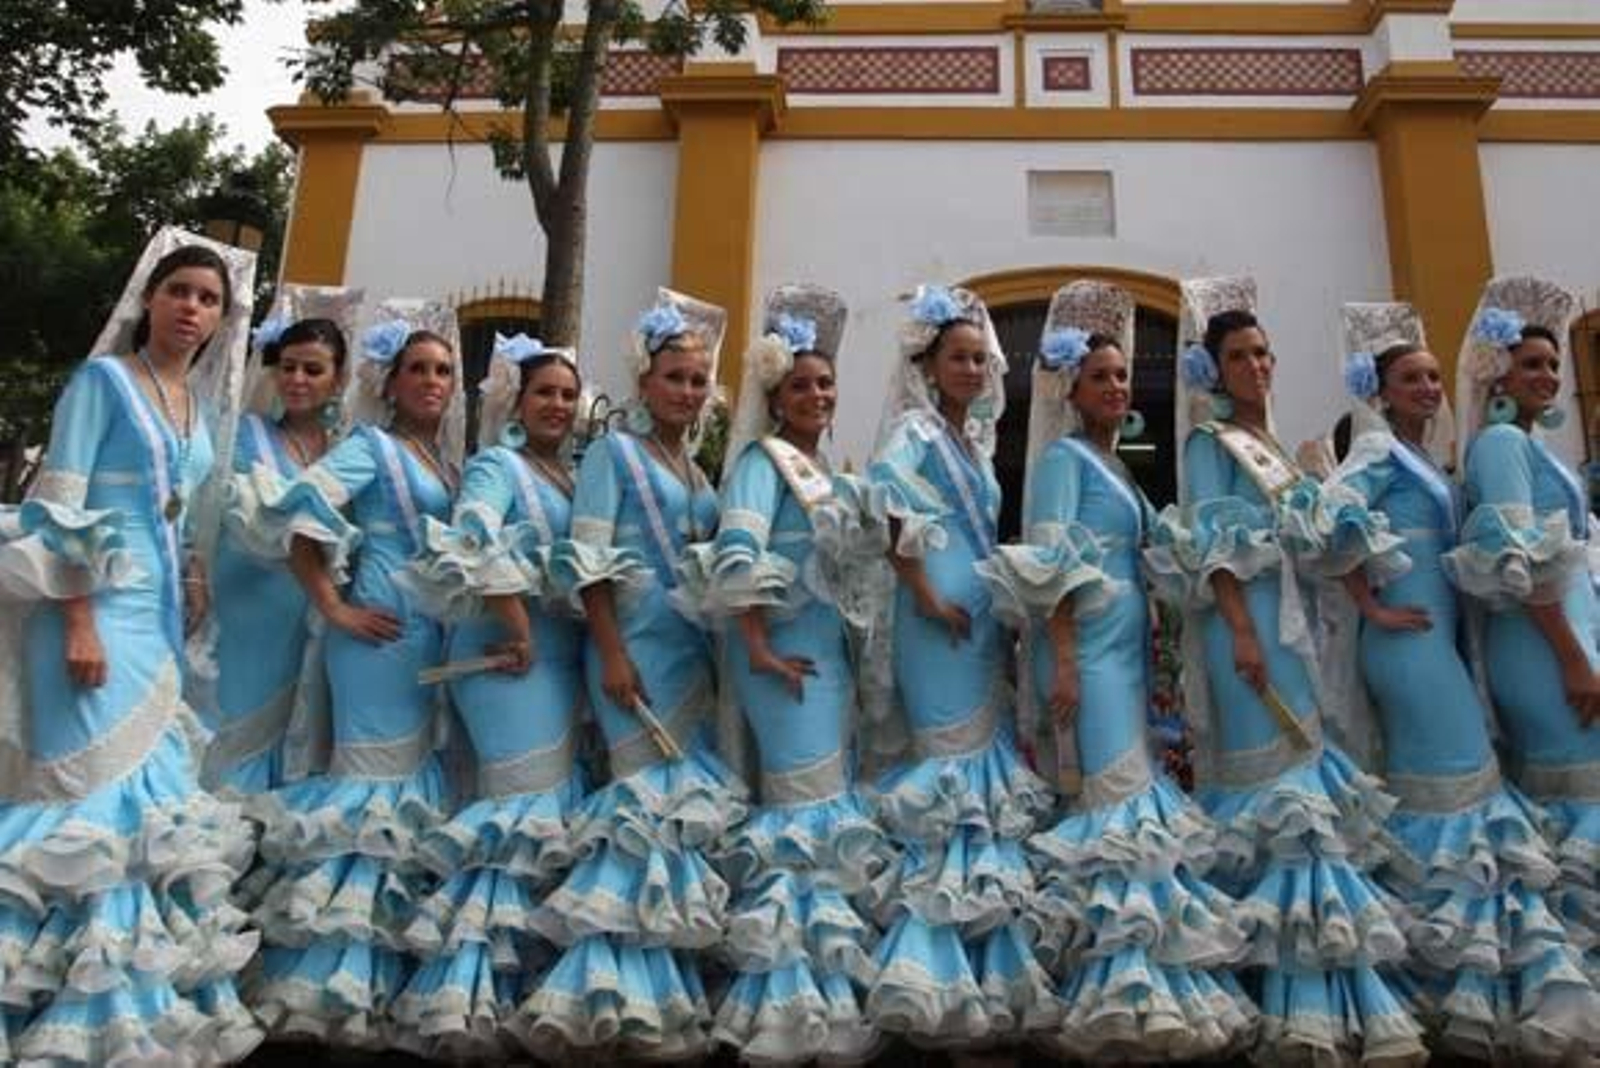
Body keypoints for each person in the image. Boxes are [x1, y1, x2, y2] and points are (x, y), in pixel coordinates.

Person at [0, 229, 262, 1063]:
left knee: (146, 807)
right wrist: (76, 617)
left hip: (155, 623)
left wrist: (191, 579)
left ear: (224, 317)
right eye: (179, 291)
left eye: (208, 298)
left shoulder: (195, 403)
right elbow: (58, 504)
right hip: (89, 608)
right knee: (82, 802)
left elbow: (177, 510)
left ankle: (125, 1012)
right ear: (148, 298)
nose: (192, 308)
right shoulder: (103, 382)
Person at [1149, 276, 1426, 1065]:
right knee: (1281, 800)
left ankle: (1318, 980)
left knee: (1306, 788)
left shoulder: (1273, 445)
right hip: (1253, 633)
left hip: (1296, 627)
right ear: (1214, 370)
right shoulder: (1211, 445)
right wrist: (1239, 633)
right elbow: (1214, 550)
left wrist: (1370, 607)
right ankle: (1286, 987)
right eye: (1240, 356)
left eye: (1265, 353)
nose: (1259, 366)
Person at [981, 281, 1256, 1062]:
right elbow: (1053, 564)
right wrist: (1062, 661)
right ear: (1070, 388)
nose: (1116, 386)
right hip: (1089, 660)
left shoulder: (1115, 465)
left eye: (1121, 376)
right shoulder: (1066, 460)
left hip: (1130, 657)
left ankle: (1140, 984)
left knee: (1132, 800)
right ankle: (1112, 989)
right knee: (1115, 808)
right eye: (1099, 376)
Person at [1328, 300, 1600, 1060]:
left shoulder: (1436, 462)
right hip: (1411, 645)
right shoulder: (1380, 453)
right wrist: (1370, 607)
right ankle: (1446, 976)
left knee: (1459, 797)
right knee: (1460, 797)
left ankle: (1452, 978)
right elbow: (1325, 523)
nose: (1428, 388)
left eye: (1434, 376)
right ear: (1378, 393)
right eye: (1412, 378)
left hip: (1442, 641)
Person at [520, 290, 748, 1060]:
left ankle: (663, 991)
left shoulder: (695, 465)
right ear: (644, 385)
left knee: (672, 815)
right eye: (674, 378)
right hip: (631, 650)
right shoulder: (614, 455)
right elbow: (586, 562)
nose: (687, 391)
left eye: (697, 381)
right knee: (634, 811)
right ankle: (605, 991)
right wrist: (611, 651)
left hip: (688, 654)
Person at [238, 301, 468, 1047]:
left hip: (426, 639)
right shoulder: (372, 445)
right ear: (390, 383)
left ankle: (376, 971)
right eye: (418, 371)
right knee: (368, 798)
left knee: (406, 796)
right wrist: (333, 606)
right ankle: (322, 984)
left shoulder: (445, 461)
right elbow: (300, 516)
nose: (432, 382)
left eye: (443, 371)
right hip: (375, 633)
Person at [689, 286, 894, 1062]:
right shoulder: (759, 464)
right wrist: (761, 648)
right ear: (773, 396)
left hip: (823, 661)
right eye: (801, 384)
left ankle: (822, 997)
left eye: (826, 384)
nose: (817, 394)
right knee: (801, 820)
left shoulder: (826, 471)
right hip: (782, 664)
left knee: (827, 813)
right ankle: (781, 1007)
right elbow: (735, 558)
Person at [863, 284, 1057, 1046]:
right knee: (948, 786)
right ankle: (927, 968)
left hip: (977, 624)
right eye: (960, 357)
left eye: (981, 358)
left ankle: (986, 967)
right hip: (933, 622)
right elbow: (883, 502)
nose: (973, 369)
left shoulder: (974, 442)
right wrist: (919, 589)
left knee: (983, 787)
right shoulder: (913, 429)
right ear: (929, 365)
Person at [390, 333, 589, 1057]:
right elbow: (467, 538)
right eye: (545, 393)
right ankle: (467, 1000)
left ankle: (526, 987)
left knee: (549, 818)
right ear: (514, 399)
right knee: (516, 817)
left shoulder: (566, 476)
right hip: (505, 656)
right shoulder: (495, 466)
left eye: (568, 395)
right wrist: (513, 620)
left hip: (557, 655)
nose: (558, 406)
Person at [1445, 276, 1600, 992]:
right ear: (1498, 374)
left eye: (1553, 366)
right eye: (1531, 365)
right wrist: (1573, 658)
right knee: (1578, 789)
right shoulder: (1503, 442)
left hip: (1567, 631)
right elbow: (1518, 562)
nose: (1547, 377)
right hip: (1543, 645)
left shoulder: (1533, 444)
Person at [201, 296, 358, 795]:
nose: (298, 379)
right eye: (288, 367)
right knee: (231, 721)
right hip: (246, 601)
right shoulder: (247, 434)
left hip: (307, 614)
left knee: (294, 724)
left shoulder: (347, 453)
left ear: (337, 379)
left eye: (313, 369)